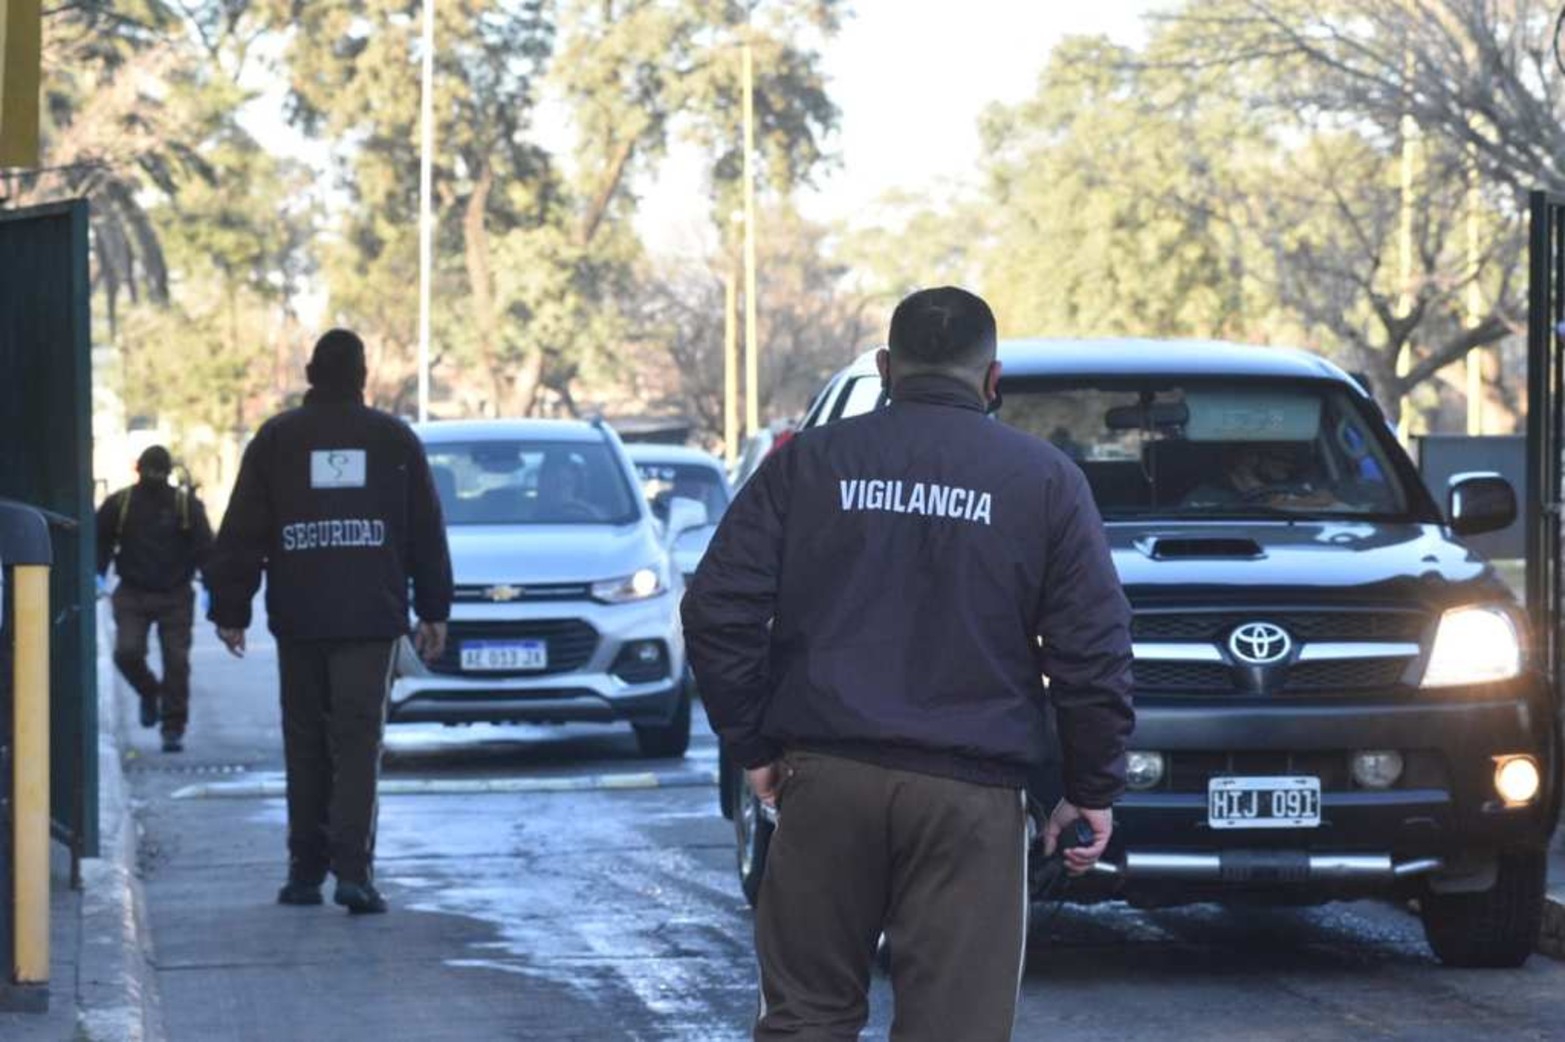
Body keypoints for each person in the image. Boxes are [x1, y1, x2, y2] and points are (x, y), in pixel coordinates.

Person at [683, 287, 1135, 1041]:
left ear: (887, 369)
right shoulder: (1044, 481)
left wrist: (754, 746)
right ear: (993, 380)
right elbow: (1091, 648)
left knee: (805, 1020)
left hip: (823, 783)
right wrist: (1089, 787)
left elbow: (715, 608)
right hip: (971, 799)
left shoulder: (813, 463)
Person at [204, 329, 453, 915]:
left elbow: (242, 533)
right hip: (371, 618)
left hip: (301, 616)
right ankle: (353, 875)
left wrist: (232, 611)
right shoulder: (393, 440)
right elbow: (426, 531)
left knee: (306, 742)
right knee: (358, 742)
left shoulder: (277, 440)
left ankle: (303, 871)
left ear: (312, 372)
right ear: (362, 375)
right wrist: (434, 609)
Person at [96, 445, 214, 753]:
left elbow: (205, 549)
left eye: (158, 472)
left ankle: (172, 729)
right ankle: (150, 693)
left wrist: (213, 587)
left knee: (176, 662)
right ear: (138, 470)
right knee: (127, 652)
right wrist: (96, 573)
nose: (154, 477)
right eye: (150, 471)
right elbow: (99, 541)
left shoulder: (185, 505)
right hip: (133, 592)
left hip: (175, 594)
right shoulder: (120, 504)